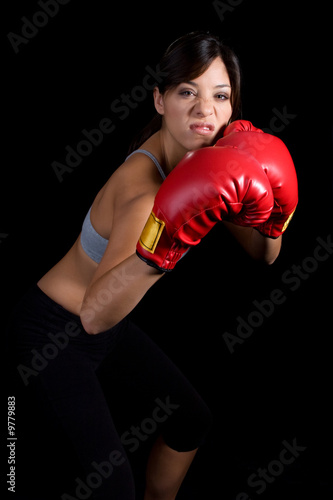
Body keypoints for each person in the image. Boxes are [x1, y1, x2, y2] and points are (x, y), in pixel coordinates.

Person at [7, 31, 296, 500]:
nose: (205, 109)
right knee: (110, 486)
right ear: (160, 101)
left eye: (220, 96)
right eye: (187, 92)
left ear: (233, 108)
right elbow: (93, 315)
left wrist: (273, 215)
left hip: (107, 326)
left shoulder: (211, 166)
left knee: (192, 420)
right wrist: (162, 248)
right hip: (53, 332)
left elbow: (265, 255)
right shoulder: (144, 191)